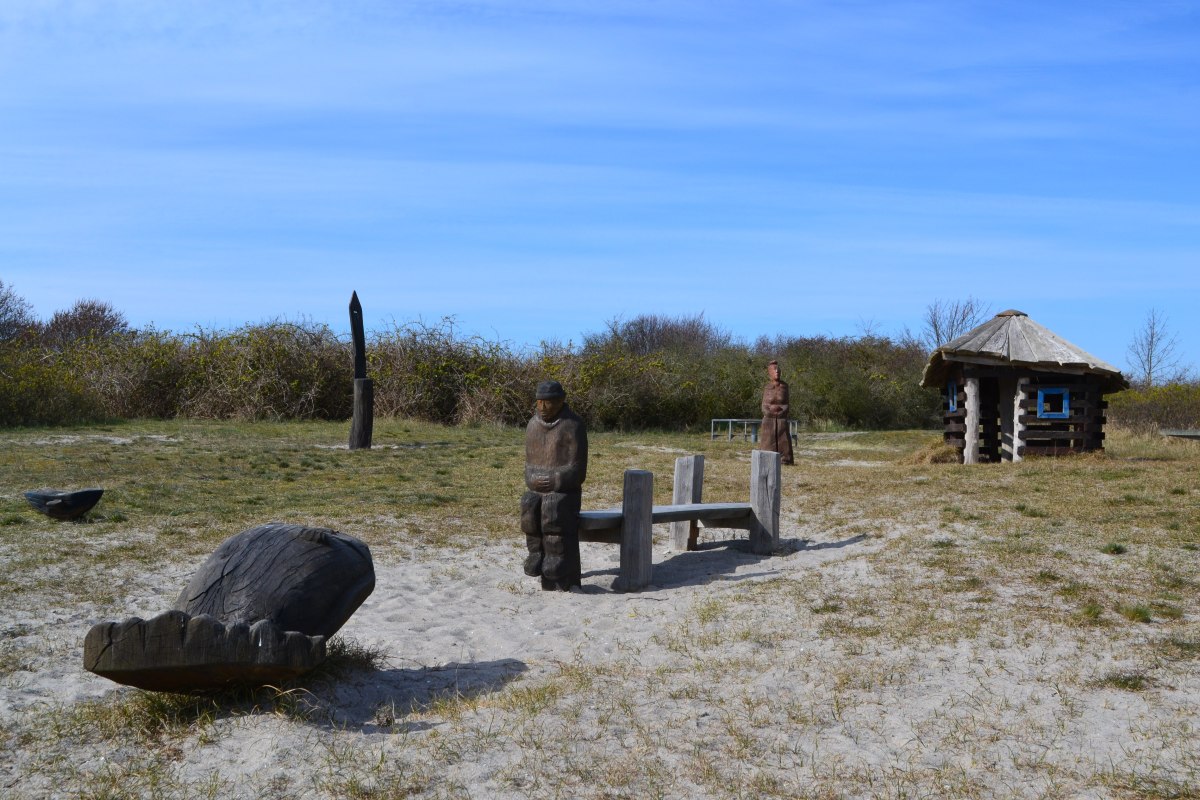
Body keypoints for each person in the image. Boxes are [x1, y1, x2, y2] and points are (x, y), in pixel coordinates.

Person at [521, 380, 588, 590]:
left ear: (560, 401)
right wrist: (532, 479)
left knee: (553, 508)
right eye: (539, 402)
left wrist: (556, 480)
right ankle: (536, 553)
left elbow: (578, 470)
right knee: (529, 504)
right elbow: (529, 465)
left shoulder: (572, 425)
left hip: (564, 491)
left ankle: (556, 556)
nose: (542, 407)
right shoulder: (533, 425)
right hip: (538, 488)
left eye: (548, 403)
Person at [759, 360, 794, 465]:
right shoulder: (767, 387)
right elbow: (764, 405)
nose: (777, 372)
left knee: (783, 433)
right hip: (769, 417)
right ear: (769, 372)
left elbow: (787, 404)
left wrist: (782, 411)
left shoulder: (785, 387)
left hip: (781, 417)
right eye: (774, 370)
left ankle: (785, 459)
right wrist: (769, 412)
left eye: (778, 370)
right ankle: (766, 456)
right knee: (767, 431)